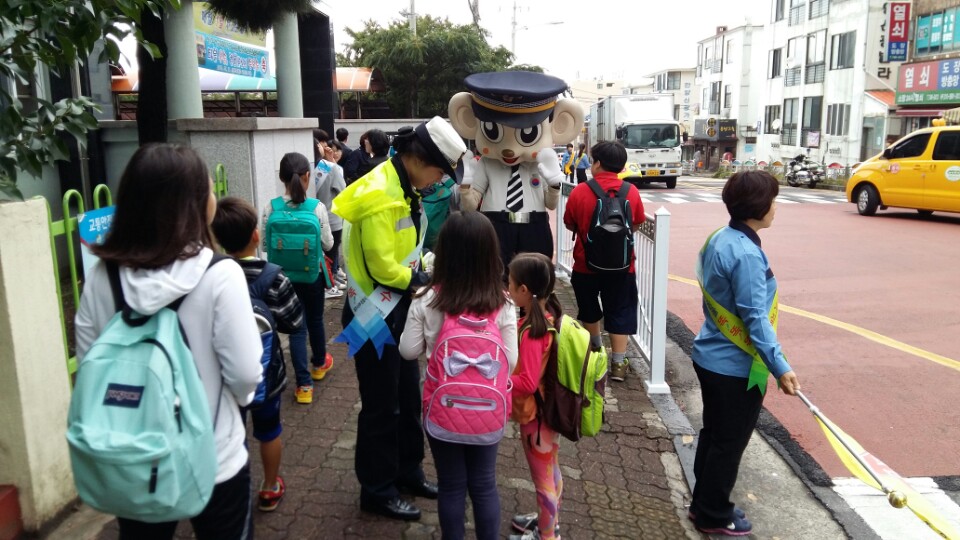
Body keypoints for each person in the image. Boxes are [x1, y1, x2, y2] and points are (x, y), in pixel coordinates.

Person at [75, 143, 262, 539]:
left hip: (134, 456)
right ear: (192, 205)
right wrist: (237, 404)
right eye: (207, 190)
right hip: (215, 457)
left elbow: (89, 362)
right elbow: (246, 373)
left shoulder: (102, 276)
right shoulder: (220, 274)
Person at [332, 116, 467, 521]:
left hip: (398, 309)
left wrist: (421, 269)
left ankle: (407, 471)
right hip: (372, 316)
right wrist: (422, 277)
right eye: (439, 170)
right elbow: (380, 266)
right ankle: (376, 489)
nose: (439, 180)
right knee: (380, 407)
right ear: (418, 158)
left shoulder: (404, 187)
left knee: (408, 400)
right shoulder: (380, 193)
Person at [690, 170, 801, 536]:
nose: (775, 206)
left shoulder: (720, 238)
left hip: (709, 355)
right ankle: (712, 514)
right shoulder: (746, 254)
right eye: (772, 199)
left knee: (714, 434)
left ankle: (703, 502)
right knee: (728, 442)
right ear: (758, 206)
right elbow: (755, 317)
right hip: (733, 366)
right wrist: (781, 367)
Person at [398, 211, 518, 540]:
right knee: (483, 484)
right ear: (489, 253)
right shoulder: (504, 303)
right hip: (488, 410)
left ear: (445, 253)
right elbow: (511, 362)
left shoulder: (428, 299)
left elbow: (407, 351)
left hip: (442, 406)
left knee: (451, 485)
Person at [211, 196, 305, 513]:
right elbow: (295, 322)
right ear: (256, 235)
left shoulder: (212, 278)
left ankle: (232, 487)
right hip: (268, 370)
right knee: (269, 430)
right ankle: (269, 486)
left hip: (225, 374)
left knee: (230, 431)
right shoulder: (274, 277)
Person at [562, 141, 645, 382]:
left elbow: (570, 223)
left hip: (585, 264)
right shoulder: (631, 191)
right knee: (619, 309)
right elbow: (636, 223)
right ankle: (618, 365)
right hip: (623, 266)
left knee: (589, 309)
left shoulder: (581, 191)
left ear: (597, 163)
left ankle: (596, 354)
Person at [263, 152, 335, 405]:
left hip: (281, 278)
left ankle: (304, 386)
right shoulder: (316, 207)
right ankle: (319, 364)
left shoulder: (271, 207)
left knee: (296, 329)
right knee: (315, 319)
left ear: (282, 178)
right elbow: (327, 244)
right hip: (311, 276)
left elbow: (264, 242)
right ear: (307, 177)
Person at [507, 252, 565, 540]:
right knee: (552, 473)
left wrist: (500, 381)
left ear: (524, 291)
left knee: (543, 483)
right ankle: (549, 525)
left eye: (510, 283)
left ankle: (546, 536)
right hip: (548, 414)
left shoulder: (532, 332)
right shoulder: (551, 316)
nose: (507, 288)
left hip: (535, 418)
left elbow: (528, 382)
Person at [314, 135, 347, 299]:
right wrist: (332, 163)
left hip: (312, 219)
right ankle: (329, 283)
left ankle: (329, 280)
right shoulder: (329, 168)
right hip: (331, 219)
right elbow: (343, 190)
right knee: (330, 255)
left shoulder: (306, 168)